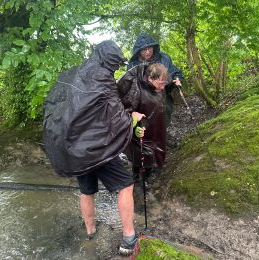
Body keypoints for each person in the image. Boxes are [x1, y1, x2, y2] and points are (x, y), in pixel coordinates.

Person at [43, 40, 144, 256]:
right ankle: (128, 238)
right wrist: (133, 119)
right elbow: (116, 118)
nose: (116, 68)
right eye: (115, 64)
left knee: (87, 189)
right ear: (109, 61)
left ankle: (90, 231)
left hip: (72, 148)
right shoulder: (102, 79)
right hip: (93, 148)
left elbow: (58, 106)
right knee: (126, 185)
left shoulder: (73, 73)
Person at [117, 63, 169, 180]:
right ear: (151, 78)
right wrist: (134, 124)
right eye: (161, 84)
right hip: (140, 129)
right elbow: (125, 110)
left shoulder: (158, 86)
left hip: (156, 126)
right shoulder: (136, 87)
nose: (163, 87)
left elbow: (163, 87)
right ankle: (138, 178)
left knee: (155, 151)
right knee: (140, 154)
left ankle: (149, 175)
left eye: (164, 83)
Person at [127, 32, 184, 126]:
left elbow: (175, 72)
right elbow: (130, 85)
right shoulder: (133, 64)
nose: (147, 52)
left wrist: (176, 79)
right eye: (143, 50)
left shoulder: (164, 58)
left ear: (153, 47)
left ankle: (161, 137)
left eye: (149, 48)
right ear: (138, 51)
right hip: (143, 100)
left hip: (163, 97)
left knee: (162, 123)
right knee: (145, 125)